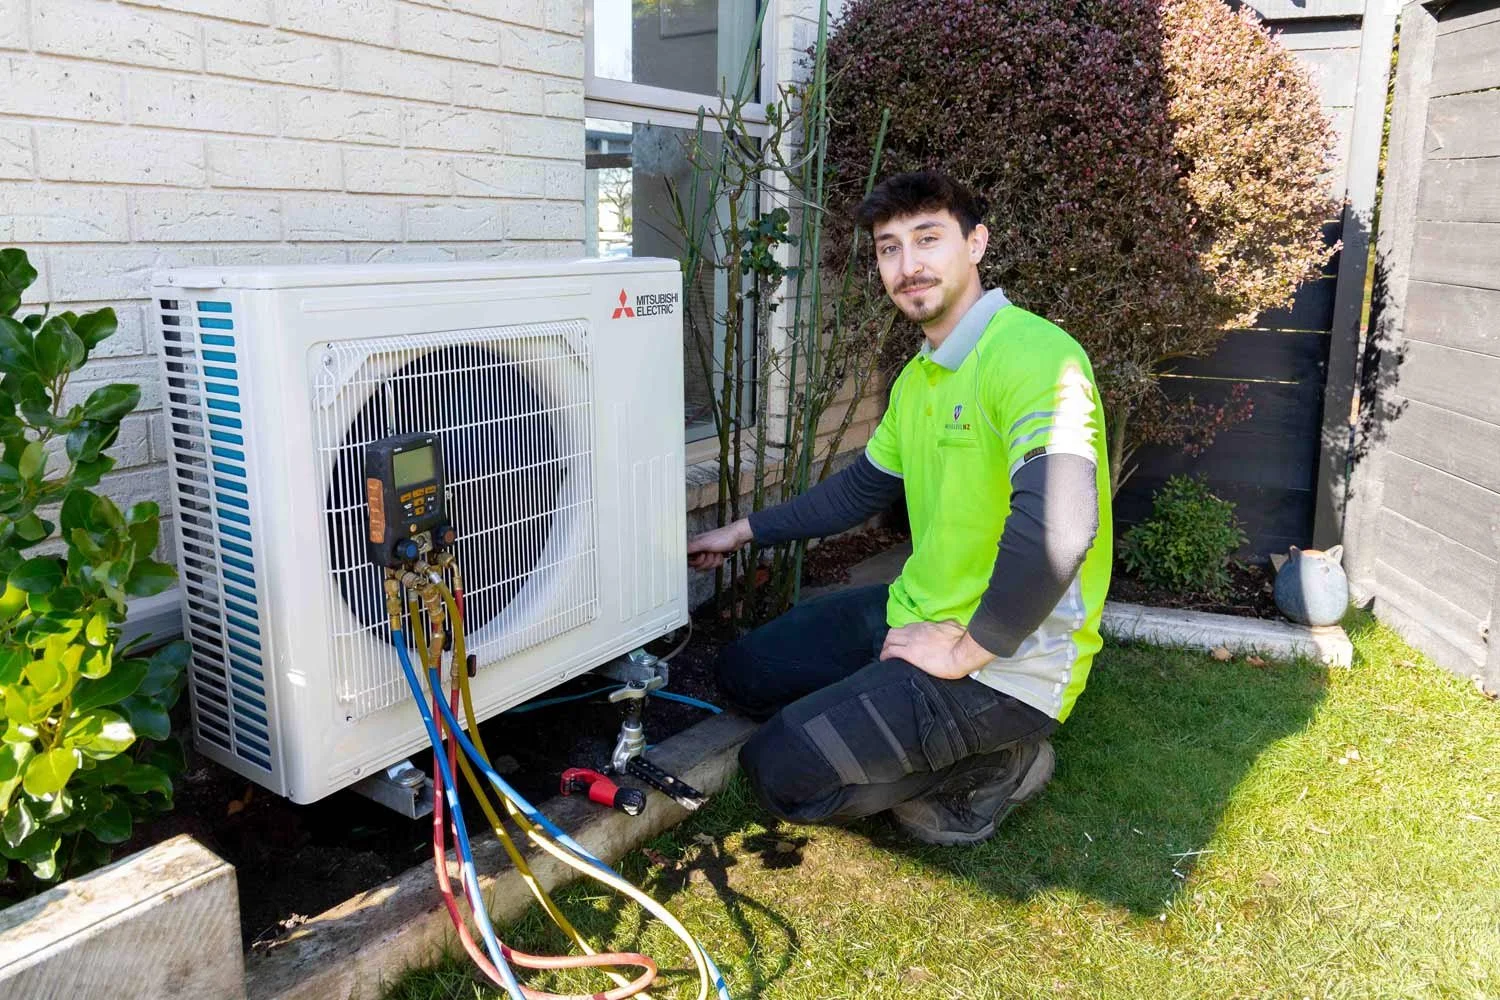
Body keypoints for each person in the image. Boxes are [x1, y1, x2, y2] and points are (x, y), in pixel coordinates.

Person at [686, 170, 1112, 846]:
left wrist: (970, 648)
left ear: (976, 244)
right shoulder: (920, 377)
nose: (908, 266)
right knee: (745, 676)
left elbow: (1061, 528)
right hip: (916, 610)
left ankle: (1000, 763)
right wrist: (742, 531)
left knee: (780, 770)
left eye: (928, 239)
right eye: (889, 248)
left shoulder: (1036, 357)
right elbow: (859, 489)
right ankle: (887, 702)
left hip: (1010, 663)